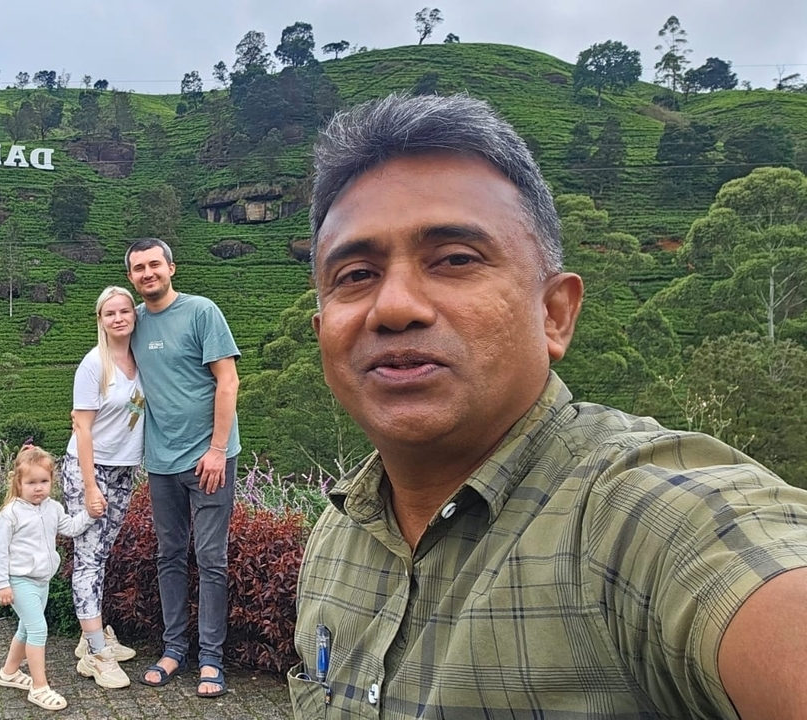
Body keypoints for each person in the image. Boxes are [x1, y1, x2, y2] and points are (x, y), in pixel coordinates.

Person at [289, 91, 807, 719]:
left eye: (455, 260)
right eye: (356, 275)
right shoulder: (336, 536)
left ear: (554, 313)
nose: (395, 306)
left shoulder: (636, 516)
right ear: (324, 334)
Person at [124, 237, 241, 698]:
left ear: (172, 267)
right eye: (138, 268)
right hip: (161, 461)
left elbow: (227, 380)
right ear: (131, 276)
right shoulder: (131, 320)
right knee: (169, 556)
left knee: (211, 559)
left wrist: (216, 449)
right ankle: (174, 649)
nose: (147, 273)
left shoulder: (201, 312)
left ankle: (211, 658)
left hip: (209, 459)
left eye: (154, 265)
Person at [62, 286, 145, 690]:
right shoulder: (94, 365)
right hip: (89, 471)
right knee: (88, 559)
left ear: (134, 315)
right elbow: (81, 425)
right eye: (109, 313)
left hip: (124, 470)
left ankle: (88, 637)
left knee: (102, 553)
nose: (118, 318)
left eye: (124, 311)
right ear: (100, 320)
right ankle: (96, 653)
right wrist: (91, 487)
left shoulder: (139, 359)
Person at [0, 446, 95, 712]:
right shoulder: (10, 514)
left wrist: (89, 515)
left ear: (51, 481)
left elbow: (69, 528)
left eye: (44, 482)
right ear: (19, 482)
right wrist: (2, 583)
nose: (38, 488)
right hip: (19, 580)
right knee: (38, 629)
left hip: (42, 581)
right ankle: (39, 687)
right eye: (31, 483)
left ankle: (10, 672)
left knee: (26, 628)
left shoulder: (53, 508)